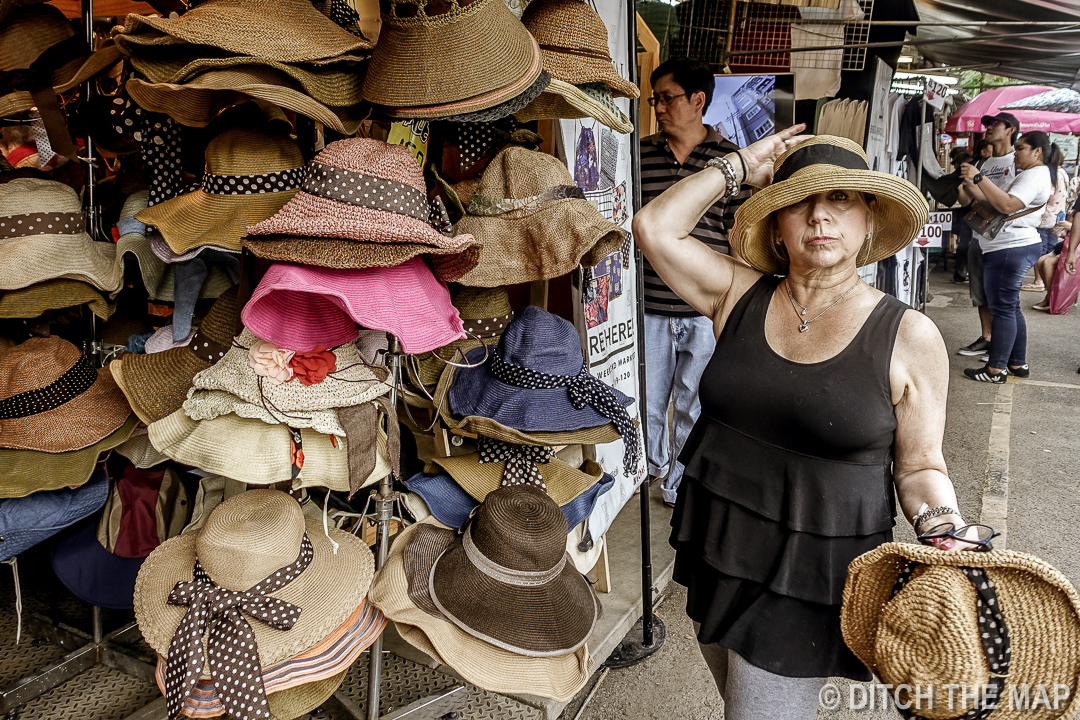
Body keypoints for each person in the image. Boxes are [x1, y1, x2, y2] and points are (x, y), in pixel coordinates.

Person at [633, 129, 976, 720]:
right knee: (737, 695)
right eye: (799, 201)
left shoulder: (909, 336)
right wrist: (740, 165)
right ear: (776, 226)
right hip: (720, 548)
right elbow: (655, 228)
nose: (820, 215)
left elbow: (920, 466)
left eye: (841, 199)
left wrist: (945, 529)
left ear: (869, 221)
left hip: (812, 574)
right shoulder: (736, 294)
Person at [640, 56, 749, 507]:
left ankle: (681, 483)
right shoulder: (640, 154)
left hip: (705, 307)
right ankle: (646, 468)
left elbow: (738, 235)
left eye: (667, 98)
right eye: (656, 99)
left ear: (698, 100)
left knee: (693, 402)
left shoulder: (729, 162)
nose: (659, 108)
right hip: (648, 302)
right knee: (647, 400)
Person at [958, 131, 1057, 382]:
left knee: (1002, 308)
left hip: (1010, 248)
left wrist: (979, 177)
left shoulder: (1034, 174)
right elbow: (996, 202)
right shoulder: (1033, 174)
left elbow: (1008, 206)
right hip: (1012, 246)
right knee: (1010, 307)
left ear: (1037, 151)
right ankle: (1016, 363)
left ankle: (995, 369)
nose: (1015, 153)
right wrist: (974, 185)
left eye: (1021, 148)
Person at [957, 113, 1019, 360]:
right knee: (980, 292)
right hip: (979, 234)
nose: (989, 129)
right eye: (988, 125)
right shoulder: (982, 164)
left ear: (1010, 129)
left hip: (1006, 238)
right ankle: (987, 337)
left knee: (1002, 297)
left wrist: (977, 184)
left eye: (995, 125)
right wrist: (964, 185)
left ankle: (1002, 346)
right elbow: (966, 201)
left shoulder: (1018, 162)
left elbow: (1006, 204)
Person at [1028, 220, 1071, 310]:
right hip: (1066, 246)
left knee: (1048, 262)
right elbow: (1067, 233)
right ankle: (1050, 296)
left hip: (1075, 250)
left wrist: (1071, 227)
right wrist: (1061, 232)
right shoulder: (1076, 211)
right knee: (1041, 260)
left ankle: (1052, 299)